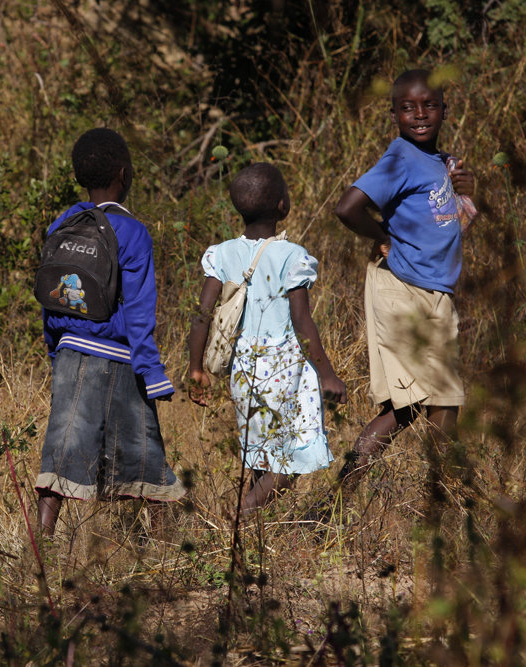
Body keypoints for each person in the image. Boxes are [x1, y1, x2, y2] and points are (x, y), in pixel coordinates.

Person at [34, 128, 185, 536]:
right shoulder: (133, 231)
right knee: (143, 452)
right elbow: (138, 312)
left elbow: (53, 299)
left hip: (69, 353)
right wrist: (152, 373)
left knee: (63, 446)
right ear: (123, 173)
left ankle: (42, 540)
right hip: (120, 359)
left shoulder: (62, 223)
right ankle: (167, 548)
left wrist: (56, 350)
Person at [333, 69, 476, 496]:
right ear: (393, 113)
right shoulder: (399, 158)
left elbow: (450, 225)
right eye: (408, 107)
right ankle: (441, 497)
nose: (419, 115)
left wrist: (468, 192)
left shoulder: (443, 163)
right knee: (427, 400)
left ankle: (346, 500)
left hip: (436, 292)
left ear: (444, 111)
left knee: (419, 404)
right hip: (404, 289)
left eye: (429, 105)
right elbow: (347, 208)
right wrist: (382, 237)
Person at [188, 163, 347, 513]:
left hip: (241, 369)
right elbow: (301, 319)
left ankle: (250, 535)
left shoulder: (222, 253)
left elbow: (202, 313)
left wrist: (195, 367)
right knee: (290, 457)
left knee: (263, 451)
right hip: (282, 369)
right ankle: (239, 519)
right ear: (282, 206)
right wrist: (327, 374)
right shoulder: (291, 256)